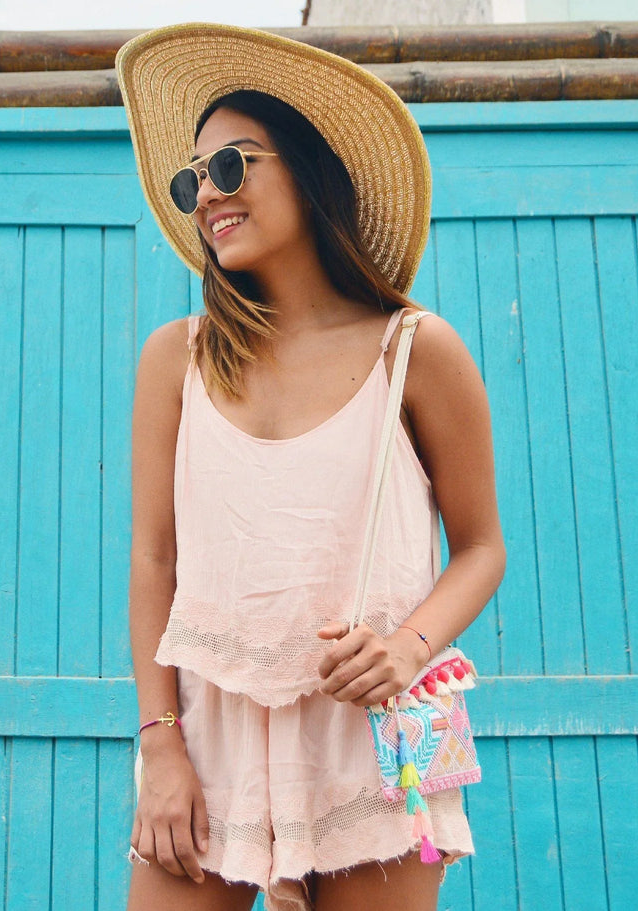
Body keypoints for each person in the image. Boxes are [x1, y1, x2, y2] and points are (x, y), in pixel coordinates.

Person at [116, 23, 505, 911]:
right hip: (205, 732)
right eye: (192, 180)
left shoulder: (416, 350)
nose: (207, 195)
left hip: (379, 729)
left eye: (230, 166)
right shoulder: (176, 359)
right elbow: (153, 562)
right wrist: (159, 743)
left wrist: (409, 649)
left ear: (309, 167)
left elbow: (483, 545)